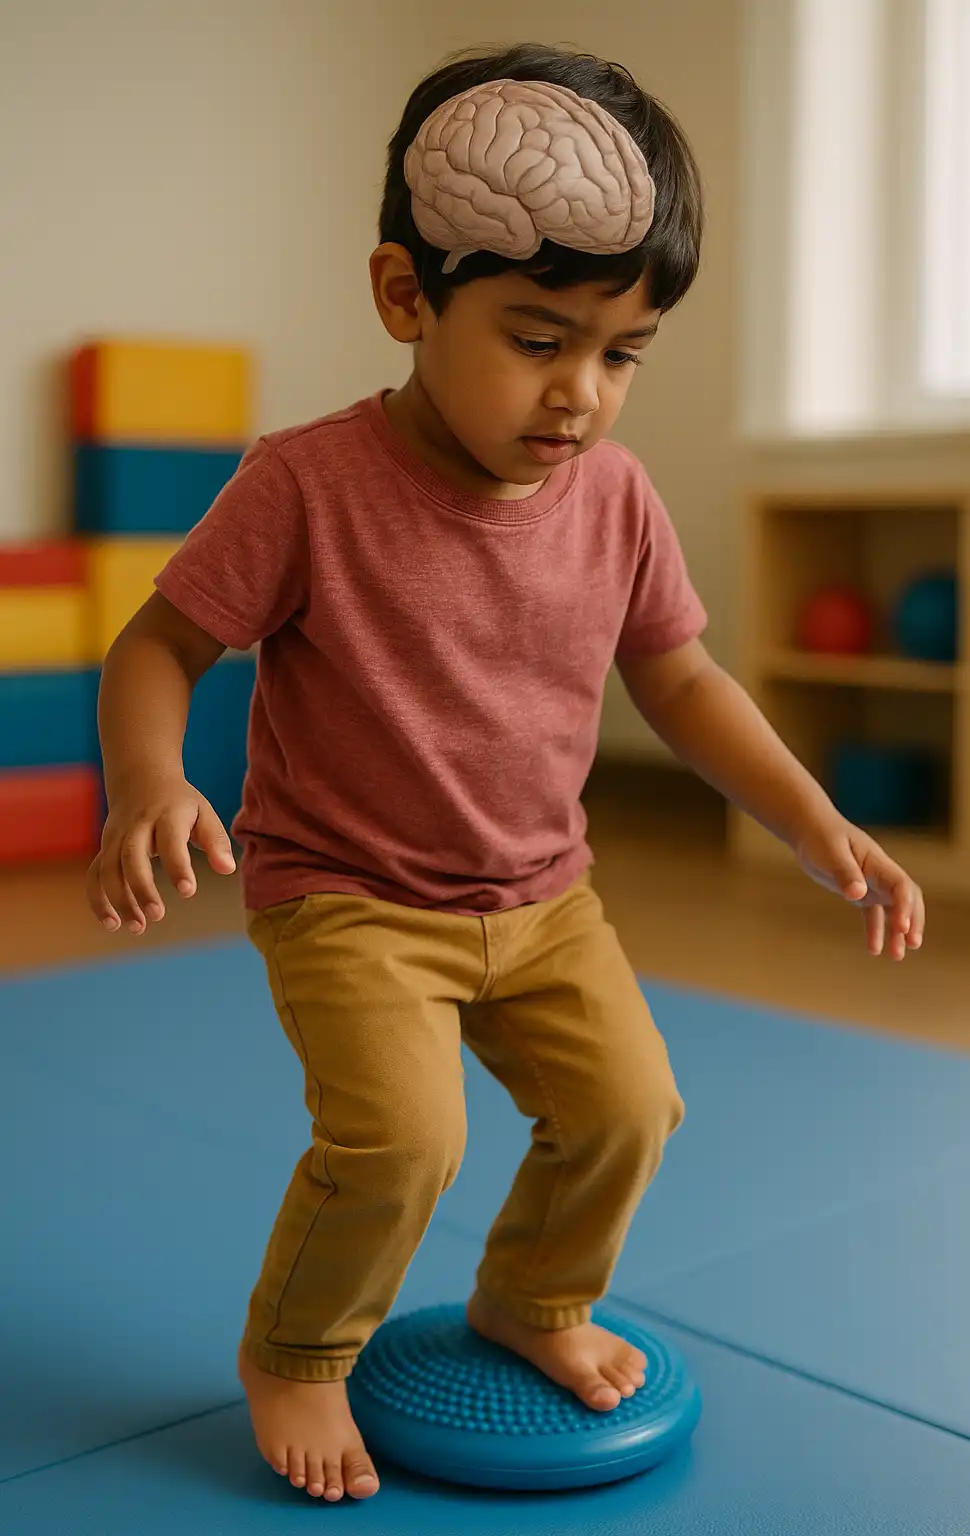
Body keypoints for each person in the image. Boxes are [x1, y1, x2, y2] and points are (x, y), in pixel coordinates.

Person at [86, 42, 925, 1506]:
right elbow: (156, 649)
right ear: (408, 298)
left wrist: (814, 817)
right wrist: (150, 781)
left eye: (621, 354)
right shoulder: (305, 484)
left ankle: (530, 1300)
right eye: (540, 341)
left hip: (545, 897)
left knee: (630, 1109)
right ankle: (296, 1345)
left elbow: (681, 678)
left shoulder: (615, 499)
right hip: (349, 896)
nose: (583, 397)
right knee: (404, 1139)